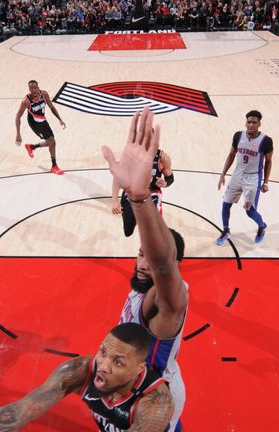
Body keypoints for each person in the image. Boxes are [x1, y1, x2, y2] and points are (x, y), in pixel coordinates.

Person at [103, 109, 187, 430]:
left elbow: (164, 265)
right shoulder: (140, 285)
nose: (142, 262)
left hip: (154, 392)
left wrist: (140, 197)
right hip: (137, 382)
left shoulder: (165, 299)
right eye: (140, 254)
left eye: (148, 259)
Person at [0, 323, 174, 431]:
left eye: (117, 362)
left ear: (138, 370)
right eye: (103, 353)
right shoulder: (79, 371)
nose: (103, 366)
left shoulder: (155, 404)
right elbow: (19, 411)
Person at [216, 110, 274, 246]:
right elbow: (231, 155)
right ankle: (226, 231)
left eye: (254, 122)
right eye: (249, 122)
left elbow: (269, 161)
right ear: (245, 122)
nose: (251, 125)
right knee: (226, 204)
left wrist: (265, 182)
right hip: (237, 175)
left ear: (259, 124)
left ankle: (262, 226)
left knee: (249, 211)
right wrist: (223, 174)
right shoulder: (238, 136)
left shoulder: (266, 141)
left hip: (253, 179)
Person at [111, 148, 174, 237]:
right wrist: (114, 201)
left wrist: (165, 183)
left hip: (152, 194)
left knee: (153, 230)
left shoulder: (163, 158)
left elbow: (170, 178)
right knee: (128, 231)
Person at [15, 79, 66, 175]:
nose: (34, 90)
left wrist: (59, 119)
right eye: (31, 88)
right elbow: (18, 116)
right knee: (52, 141)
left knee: (51, 142)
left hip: (42, 120)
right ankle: (54, 166)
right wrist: (18, 134)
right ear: (29, 89)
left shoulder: (44, 94)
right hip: (34, 122)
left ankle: (31, 147)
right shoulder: (26, 101)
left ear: (38, 87)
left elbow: (51, 106)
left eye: (35, 87)